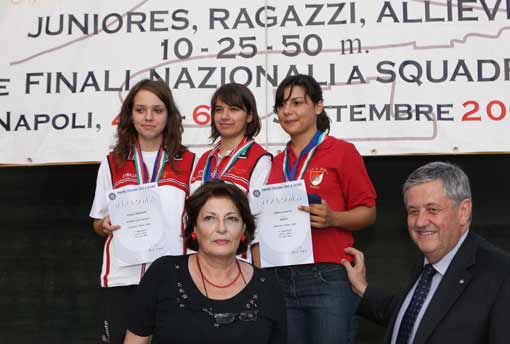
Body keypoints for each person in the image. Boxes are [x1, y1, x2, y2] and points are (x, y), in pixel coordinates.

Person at [343, 161, 510, 344]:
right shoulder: (427, 266)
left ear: (463, 211)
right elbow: (417, 319)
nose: (420, 222)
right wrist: (362, 289)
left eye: (432, 210)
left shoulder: (500, 274)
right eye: (413, 211)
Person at [266, 74, 377, 344]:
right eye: (282, 105)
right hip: (281, 276)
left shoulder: (341, 151)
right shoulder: (275, 162)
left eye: (297, 103)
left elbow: (368, 212)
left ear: (318, 106)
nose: (288, 111)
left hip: (327, 276)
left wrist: (334, 218)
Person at [89, 79, 195, 344]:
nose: (148, 117)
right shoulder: (112, 163)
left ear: (169, 115)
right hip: (123, 278)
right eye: (140, 110)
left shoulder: (189, 162)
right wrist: (104, 224)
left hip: (174, 277)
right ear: (129, 115)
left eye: (157, 110)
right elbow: (97, 222)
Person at [124, 181, 287, 344]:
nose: (221, 228)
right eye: (210, 218)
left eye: (231, 219)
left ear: (244, 228)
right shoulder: (164, 274)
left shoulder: (268, 287)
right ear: (194, 227)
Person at [190, 83, 272, 262]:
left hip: (239, 262)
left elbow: (260, 222)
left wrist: (259, 274)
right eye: (219, 110)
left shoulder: (260, 159)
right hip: (199, 260)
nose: (225, 116)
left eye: (234, 109)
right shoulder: (204, 159)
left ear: (249, 116)